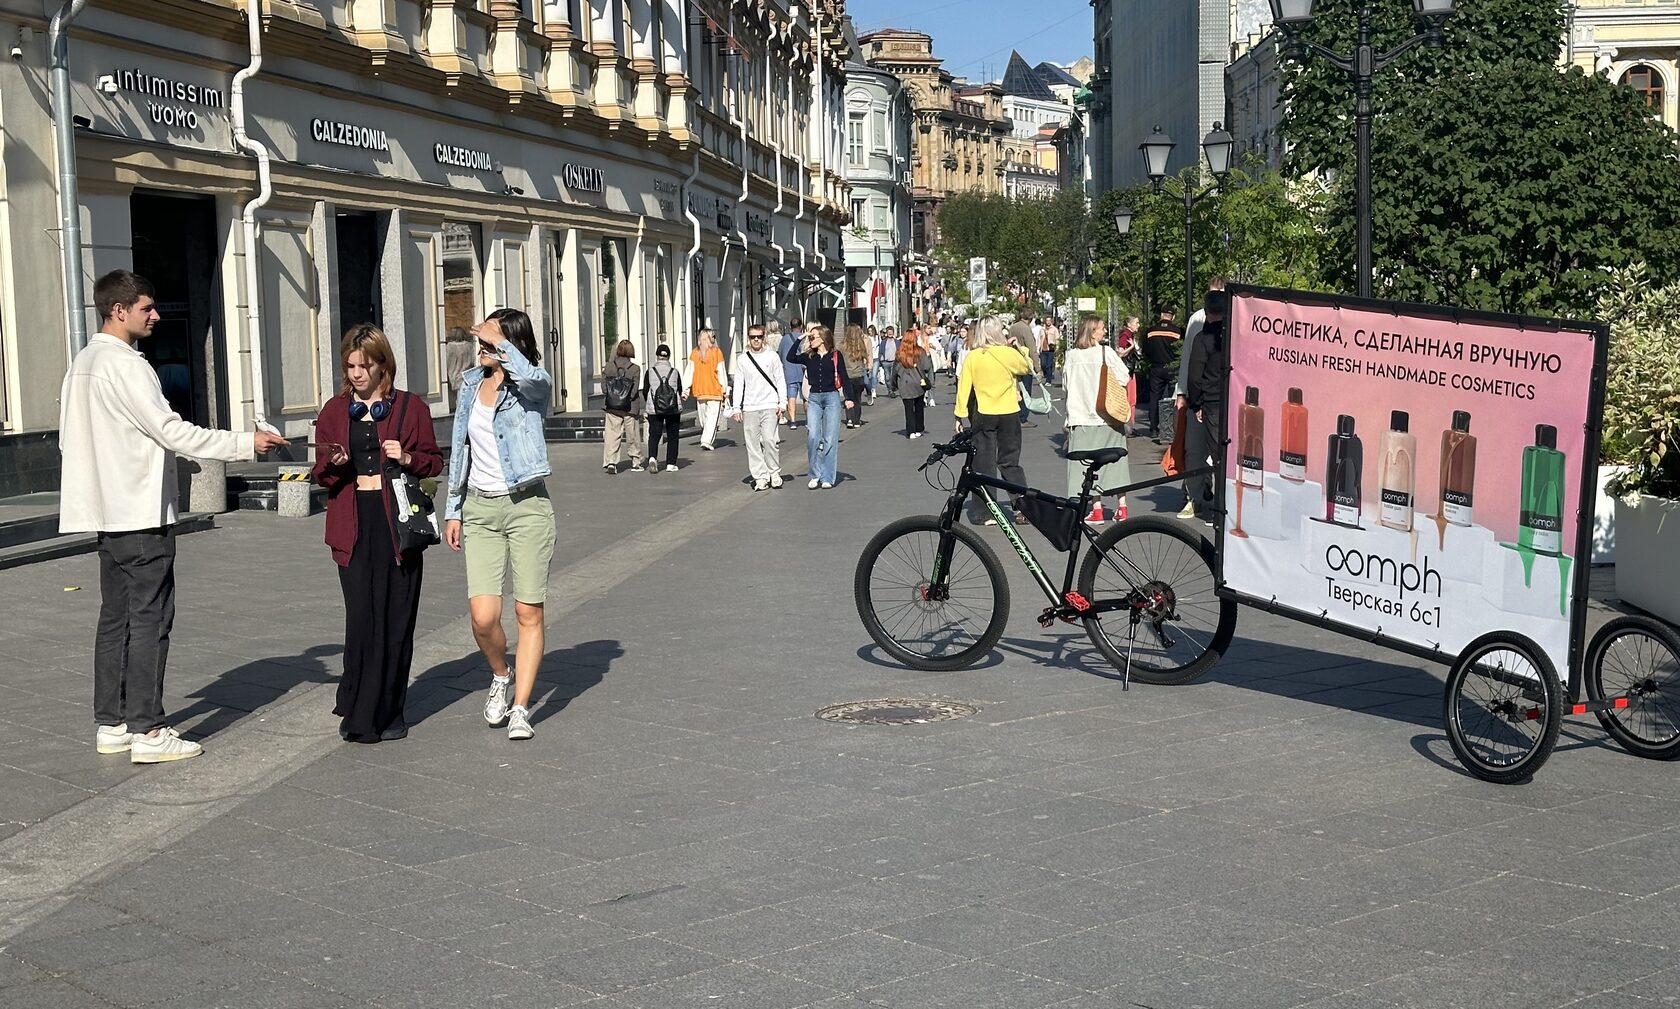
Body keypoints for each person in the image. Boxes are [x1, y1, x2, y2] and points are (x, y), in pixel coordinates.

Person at [61, 269, 289, 762]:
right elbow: (171, 430)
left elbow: (80, 440)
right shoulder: (126, 365)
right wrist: (245, 443)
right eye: (146, 307)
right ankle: (148, 731)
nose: (156, 315)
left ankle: (112, 723)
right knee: (150, 619)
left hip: (107, 511)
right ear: (118, 310)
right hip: (139, 512)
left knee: (115, 618)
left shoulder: (83, 362)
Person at [312, 324, 445, 744]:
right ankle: (358, 710)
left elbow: (433, 462)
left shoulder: (410, 408)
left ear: (382, 364)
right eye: (349, 366)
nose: (355, 374)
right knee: (363, 617)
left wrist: (406, 456)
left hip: (397, 525)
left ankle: (390, 712)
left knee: (397, 618)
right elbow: (321, 474)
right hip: (353, 523)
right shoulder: (334, 411)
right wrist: (335, 461)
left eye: (363, 366)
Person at [441, 309, 553, 741]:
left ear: (513, 345)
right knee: (483, 617)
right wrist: (454, 508)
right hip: (480, 509)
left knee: (528, 611)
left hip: (527, 507)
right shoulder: (470, 383)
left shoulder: (531, 387)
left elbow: (536, 380)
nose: (484, 347)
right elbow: (460, 450)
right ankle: (501, 675)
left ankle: (522, 707)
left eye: (493, 341)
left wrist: (502, 345)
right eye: (484, 340)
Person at [954, 315, 1031, 524]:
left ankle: (985, 512)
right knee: (1010, 462)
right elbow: (1027, 366)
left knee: (983, 464)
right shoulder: (1007, 354)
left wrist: (959, 414)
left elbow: (964, 387)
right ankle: (1021, 508)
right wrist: (1018, 349)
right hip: (1009, 412)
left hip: (984, 413)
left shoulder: (973, 356)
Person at [1062, 317, 1134, 524]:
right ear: (1092, 331)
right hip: (1107, 417)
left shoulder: (1072, 356)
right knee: (1116, 464)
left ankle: (1097, 509)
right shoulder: (1105, 352)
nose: (1105, 332)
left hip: (1081, 416)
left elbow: (1067, 386)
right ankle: (1122, 507)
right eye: (1102, 329)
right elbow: (1124, 377)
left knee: (1087, 466)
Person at [1176, 277, 1227, 516]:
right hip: (1204, 395)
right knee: (1196, 450)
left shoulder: (1238, 317)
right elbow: (1189, 356)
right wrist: (1182, 392)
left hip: (1212, 396)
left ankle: (1217, 500)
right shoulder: (1197, 319)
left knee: (1220, 452)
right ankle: (1195, 496)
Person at [783, 324, 855, 489]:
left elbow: (844, 376)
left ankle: (828, 477)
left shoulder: (836, 356)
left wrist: (849, 398)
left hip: (831, 398)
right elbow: (790, 357)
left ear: (823, 338)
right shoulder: (809, 356)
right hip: (814, 398)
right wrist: (800, 338)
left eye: (812, 337)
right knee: (813, 437)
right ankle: (815, 474)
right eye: (809, 337)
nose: (810, 340)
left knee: (830, 439)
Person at [729, 324, 789, 490]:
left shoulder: (772, 357)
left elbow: (780, 380)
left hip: (770, 404)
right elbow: (739, 384)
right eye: (752, 337)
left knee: (770, 440)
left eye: (759, 336)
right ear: (748, 338)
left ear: (764, 338)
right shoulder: (742, 360)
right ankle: (760, 477)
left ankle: (774, 472)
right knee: (752, 444)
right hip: (750, 406)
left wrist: (782, 402)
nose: (756, 340)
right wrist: (736, 408)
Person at [600, 339, 644, 474]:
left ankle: (611, 462)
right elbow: (635, 389)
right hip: (630, 408)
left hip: (613, 407)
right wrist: (627, 398)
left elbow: (604, 388)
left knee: (612, 435)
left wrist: (614, 397)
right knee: (633, 435)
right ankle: (636, 461)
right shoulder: (635, 369)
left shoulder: (608, 367)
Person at [1141, 308, 1182, 439]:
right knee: (1172, 398)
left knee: (1154, 397)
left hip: (1156, 367)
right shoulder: (1177, 331)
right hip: (1172, 368)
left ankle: (1154, 428)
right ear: (1172, 316)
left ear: (1161, 315)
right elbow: (1180, 349)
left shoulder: (1150, 331)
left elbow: (1145, 350)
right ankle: (1170, 427)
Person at [645, 344, 686, 471]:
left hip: (655, 408)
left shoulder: (650, 371)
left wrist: (650, 403)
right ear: (669, 356)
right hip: (672, 408)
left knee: (654, 434)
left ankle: (652, 457)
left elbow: (645, 390)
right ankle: (671, 464)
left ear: (657, 356)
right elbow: (679, 389)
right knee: (673, 435)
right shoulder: (675, 372)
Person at [685, 328, 728, 450]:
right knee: (711, 418)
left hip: (700, 391)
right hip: (714, 390)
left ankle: (706, 438)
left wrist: (686, 389)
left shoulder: (694, 353)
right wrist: (724, 389)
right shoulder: (717, 352)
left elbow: (689, 372)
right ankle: (707, 440)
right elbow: (721, 372)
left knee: (705, 418)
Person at [894, 329, 935, 438]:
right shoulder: (919, 351)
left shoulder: (899, 352)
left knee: (908, 409)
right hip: (918, 383)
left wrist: (894, 383)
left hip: (904, 383)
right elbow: (927, 367)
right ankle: (919, 428)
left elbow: (895, 370)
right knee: (918, 407)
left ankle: (911, 430)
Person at [839, 324, 873, 428]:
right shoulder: (861, 344)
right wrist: (868, 366)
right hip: (858, 375)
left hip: (847, 375)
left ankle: (849, 419)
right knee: (857, 399)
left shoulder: (842, 345)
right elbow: (867, 356)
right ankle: (857, 421)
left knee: (848, 397)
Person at [778, 317, 805, 427]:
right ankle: (809, 419)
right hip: (803, 370)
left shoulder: (784, 339)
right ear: (801, 326)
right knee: (806, 397)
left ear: (790, 327)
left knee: (791, 396)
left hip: (789, 371)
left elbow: (780, 354)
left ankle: (793, 420)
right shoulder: (804, 338)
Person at [444, 327, 474, 411]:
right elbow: (472, 360)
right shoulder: (469, 346)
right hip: (466, 374)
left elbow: (446, 361)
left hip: (453, 375)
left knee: (457, 400)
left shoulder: (449, 346)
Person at [877, 325, 900, 397]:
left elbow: (900, 351)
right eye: (888, 332)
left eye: (891, 332)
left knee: (893, 377)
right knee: (887, 377)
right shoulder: (883, 342)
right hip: (886, 362)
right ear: (886, 333)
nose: (890, 333)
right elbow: (880, 351)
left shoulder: (897, 342)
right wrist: (881, 360)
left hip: (894, 362)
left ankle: (893, 388)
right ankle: (890, 390)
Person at [1040, 317, 1061, 385]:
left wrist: (1057, 348)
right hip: (1043, 349)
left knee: (1048, 365)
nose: (1048, 322)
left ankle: (1048, 380)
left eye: (1049, 320)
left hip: (1050, 349)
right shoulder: (1042, 329)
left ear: (1051, 321)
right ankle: (1047, 375)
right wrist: (1038, 348)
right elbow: (1039, 339)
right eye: (1047, 320)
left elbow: (1057, 339)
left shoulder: (1054, 329)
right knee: (1043, 364)